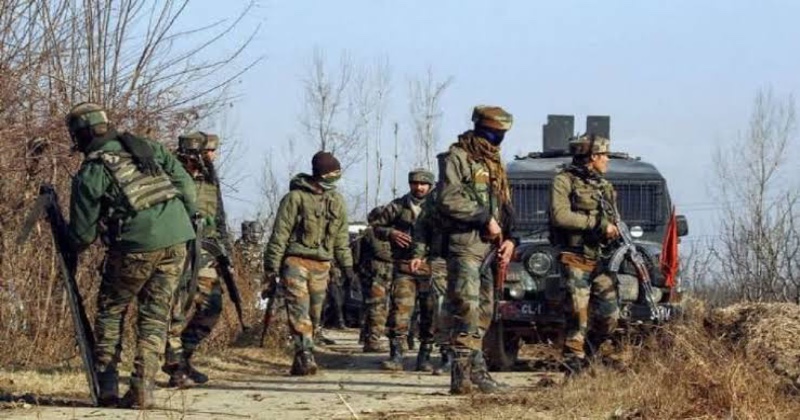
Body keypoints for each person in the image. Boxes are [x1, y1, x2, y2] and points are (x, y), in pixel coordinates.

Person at [65, 102, 196, 408]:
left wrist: (67, 240)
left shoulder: (93, 170)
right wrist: (186, 221)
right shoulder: (147, 147)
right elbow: (187, 189)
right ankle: (143, 389)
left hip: (136, 245)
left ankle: (108, 386)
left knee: (111, 310)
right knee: (155, 315)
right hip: (177, 238)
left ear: (81, 135)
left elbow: (83, 236)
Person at [423, 105, 515, 394]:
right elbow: (449, 199)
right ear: (482, 129)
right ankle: (461, 375)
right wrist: (484, 218)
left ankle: (477, 370)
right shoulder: (457, 157)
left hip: (490, 248)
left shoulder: (494, 161)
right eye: (495, 132)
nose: (498, 138)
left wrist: (511, 238)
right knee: (467, 309)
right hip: (465, 245)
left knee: (486, 309)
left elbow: (504, 203)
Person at [262, 151, 355, 375]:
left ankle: (301, 356)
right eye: (331, 174)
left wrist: (348, 268)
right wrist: (271, 267)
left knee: (314, 314)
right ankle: (305, 354)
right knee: (299, 310)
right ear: (319, 174)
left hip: (322, 265)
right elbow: (280, 235)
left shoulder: (337, 201)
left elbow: (341, 238)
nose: (335, 179)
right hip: (296, 261)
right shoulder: (294, 198)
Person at [164, 131, 232, 387]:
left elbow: (219, 215)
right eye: (209, 151)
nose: (213, 156)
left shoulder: (209, 178)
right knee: (175, 309)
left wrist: (225, 251)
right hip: (177, 247)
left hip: (205, 251)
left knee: (212, 306)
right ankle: (175, 366)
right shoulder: (169, 175)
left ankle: (185, 355)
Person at [549, 134, 620, 375]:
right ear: (593, 156)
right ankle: (573, 367)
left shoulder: (604, 185)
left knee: (610, 315)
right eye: (604, 155)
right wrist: (597, 225)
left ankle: (589, 353)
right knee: (577, 316)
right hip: (575, 257)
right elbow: (560, 216)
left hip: (600, 259)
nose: (607, 160)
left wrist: (614, 231)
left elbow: (612, 218)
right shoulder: (563, 180)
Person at [369, 169, 436, 371]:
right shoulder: (398, 206)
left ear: (430, 186)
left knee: (430, 313)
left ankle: (425, 357)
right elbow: (376, 225)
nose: (419, 187)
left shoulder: (437, 207)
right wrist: (391, 233)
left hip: (430, 268)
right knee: (400, 311)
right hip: (404, 267)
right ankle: (396, 355)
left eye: (423, 184)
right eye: (415, 183)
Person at [410, 187, 452, 375]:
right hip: (441, 258)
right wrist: (418, 254)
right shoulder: (436, 196)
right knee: (441, 306)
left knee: (470, 306)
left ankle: (473, 355)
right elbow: (422, 227)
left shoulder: (477, 189)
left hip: (472, 256)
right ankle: (447, 354)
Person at [357, 220, 394, 353]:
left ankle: (369, 338)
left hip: (382, 275)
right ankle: (372, 340)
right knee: (377, 309)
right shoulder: (372, 233)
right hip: (377, 276)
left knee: (377, 308)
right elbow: (380, 251)